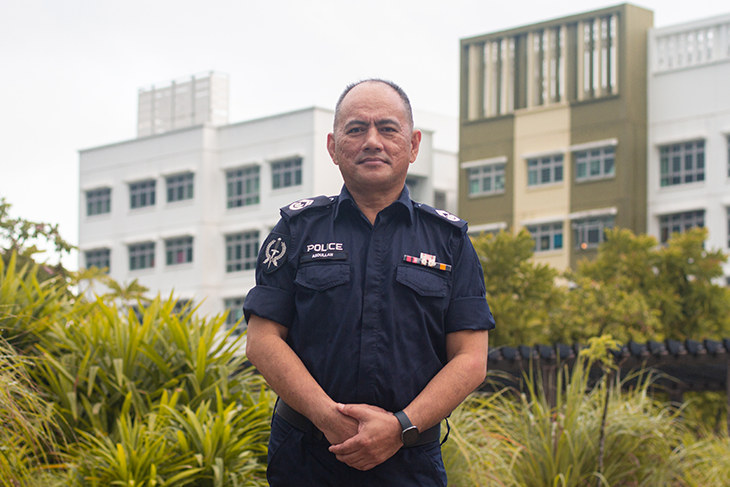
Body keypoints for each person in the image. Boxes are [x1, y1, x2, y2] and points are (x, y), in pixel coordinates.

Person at [243, 79, 495, 486]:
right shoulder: (297, 230)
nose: (372, 141)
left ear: (413, 145)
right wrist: (328, 418)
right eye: (356, 129)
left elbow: (470, 358)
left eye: (388, 128)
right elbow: (263, 340)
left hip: (408, 459)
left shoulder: (449, 241)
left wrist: (399, 428)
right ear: (333, 146)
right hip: (307, 456)